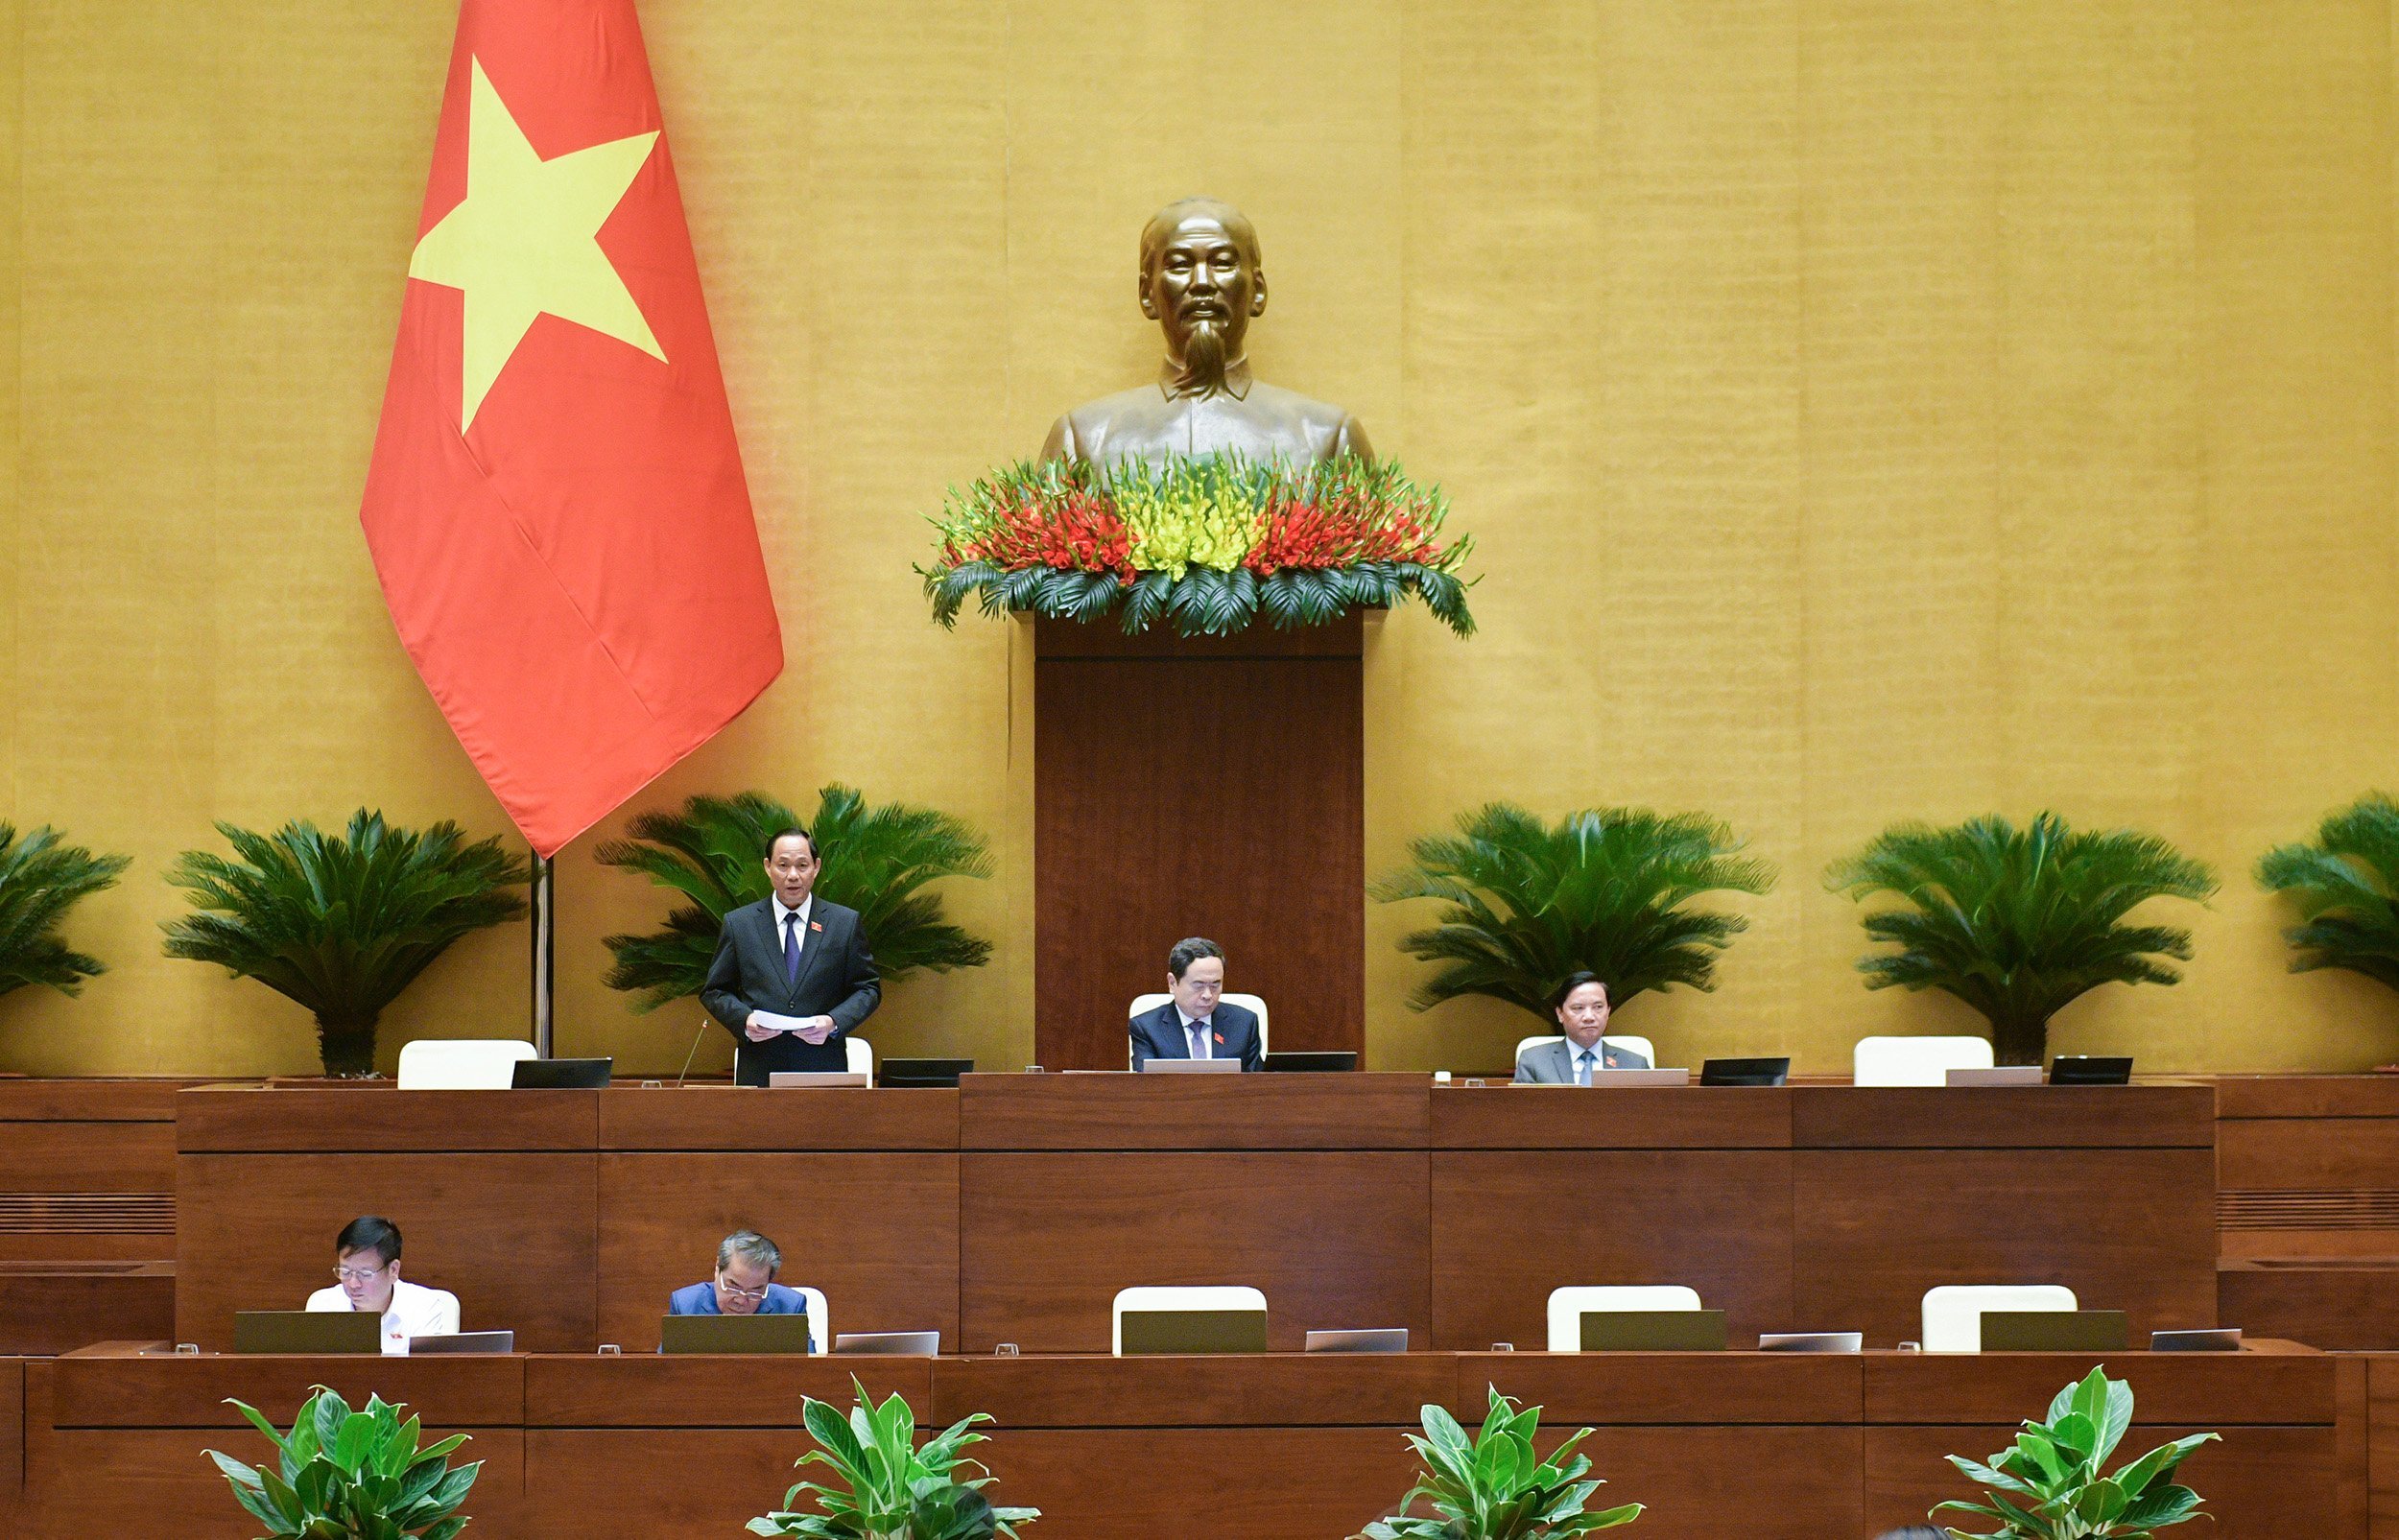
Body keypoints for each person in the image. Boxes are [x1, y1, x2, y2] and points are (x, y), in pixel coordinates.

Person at [1041, 198, 1373, 472]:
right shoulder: (1084, 438)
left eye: (1223, 262)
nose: (1202, 282)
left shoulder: (1326, 438)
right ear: (1147, 294)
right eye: (1180, 265)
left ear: (1258, 291)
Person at [701, 826, 881, 1086]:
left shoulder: (844, 922)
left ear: (816, 867)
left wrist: (833, 1022)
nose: (793, 876)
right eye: (783, 865)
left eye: (802, 865)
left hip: (823, 1067)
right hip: (760, 1069)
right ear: (767, 867)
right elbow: (715, 991)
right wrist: (745, 1020)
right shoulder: (740, 924)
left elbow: (868, 989)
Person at [303, 1215, 459, 1355]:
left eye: (365, 1274)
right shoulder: (323, 1305)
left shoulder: (425, 1307)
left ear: (393, 1270)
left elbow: (429, 1376)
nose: (353, 1283)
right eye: (345, 1271)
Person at [1128, 937, 1264, 1072]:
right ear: (1172, 983)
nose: (1207, 995)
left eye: (1215, 985)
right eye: (1198, 986)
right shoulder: (1147, 1028)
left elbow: (1259, 1085)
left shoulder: (1244, 1023)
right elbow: (1145, 1087)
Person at [1513, 972, 1651, 1083]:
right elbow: (1521, 1115)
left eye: (1598, 1007)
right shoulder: (1534, 1061)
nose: (1589, 1017)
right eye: (1578, 1008)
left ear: (1608, 1011)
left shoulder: (1635, 1064)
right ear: (1560, 1013)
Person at [667, 1230, 809, 1316]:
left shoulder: (790, 1308)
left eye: (755, 1291)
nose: (741, 1301)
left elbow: (807, 1366)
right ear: (718, 1269)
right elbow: (667, 1366)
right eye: (733, 1286)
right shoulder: (686, 1306)